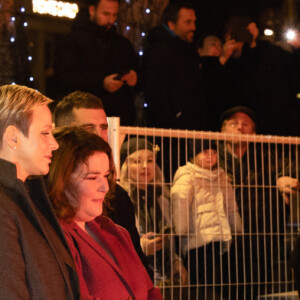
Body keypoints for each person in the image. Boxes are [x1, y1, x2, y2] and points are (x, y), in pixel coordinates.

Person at [47, 127, 162, 299]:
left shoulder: (117, 232)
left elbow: (150, 291)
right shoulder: (57, 237)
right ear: (61, 180)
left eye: (106, 175)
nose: (105, 187)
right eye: (92, 178)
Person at [54, 91, 152, 278]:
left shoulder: (118, 196)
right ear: (63, 132)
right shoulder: (48, 193)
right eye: (89, 127)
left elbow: (138, 264)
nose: (99, 136)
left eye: (103, 127)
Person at [0, 84, 80, 299]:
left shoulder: (27, 197)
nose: (54, 144)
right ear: (13, 137)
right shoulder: (4, 206)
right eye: (45, 133)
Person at [218, 106, 299, 299]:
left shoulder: (267, 157)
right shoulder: (212, 157)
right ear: (222, 131)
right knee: (224, 289)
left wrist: (283, 178)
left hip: (262, 239)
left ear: (254, 133)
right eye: (233, 124)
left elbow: (291, 169)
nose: (240, 128)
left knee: (258, 289)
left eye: (246, 124)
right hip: (225, 239)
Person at [172, 139, 242, 299]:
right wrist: (181, 230)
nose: (210, 156)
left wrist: (236, 227)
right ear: (194, 155)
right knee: (198, 284)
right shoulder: (187, 175)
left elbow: (231, 206)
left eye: (214, 152)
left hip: (220, 237)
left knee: (216, 282)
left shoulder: (222, 176)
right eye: (205, 152)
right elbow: (180, 204)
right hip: (196, 239)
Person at [119, 138, 188, 299]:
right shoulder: (121, 198)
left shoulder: (162, 197)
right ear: (125, 166)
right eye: (137, 161)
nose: (145, 166)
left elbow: (170, 237)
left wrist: (176, 261)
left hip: (164, 279)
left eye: (149, 160)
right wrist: (141, 246)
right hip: (135, 278)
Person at [54, 0, 138, 125]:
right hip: (84, 117)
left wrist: (134, 78)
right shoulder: (72, 41)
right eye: (106, 14)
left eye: (114, 15)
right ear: (92, 11)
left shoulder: (122, 44)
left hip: (120, 118)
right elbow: (63, 78)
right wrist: (101, 83)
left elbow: (139, 73)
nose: (111, 20)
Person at [142, 1, 207, 130]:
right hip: (168, 125)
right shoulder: (159, 50)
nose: (193, 27)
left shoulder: (186, 48)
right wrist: (175, 114)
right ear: (171, 24)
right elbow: (157, 89)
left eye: (194, 22)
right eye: (188, 22)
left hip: (186, 120)